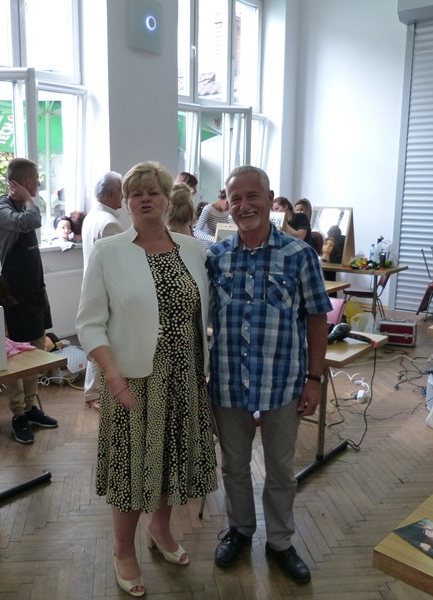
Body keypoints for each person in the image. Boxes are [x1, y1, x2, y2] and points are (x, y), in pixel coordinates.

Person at [76, 162, 217, 597]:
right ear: (125, 202)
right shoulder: (109, 251)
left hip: (186, 378)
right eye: (135, 193)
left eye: (153, 191)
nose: (144, 199)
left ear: (168, 199)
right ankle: (123, 549)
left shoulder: (193, 250)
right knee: (132, 468)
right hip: (134, 383)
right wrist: (112, 376)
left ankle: (160, 527)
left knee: (170, 459)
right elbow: (89, 323)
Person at [207, 166, 331, 584]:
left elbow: (317, 319)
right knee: (234, 467)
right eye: (235, 198)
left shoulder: (300, 255)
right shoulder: (216, 257)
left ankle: (280, 541)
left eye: (252, 196)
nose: (244, 206)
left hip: (283, 383)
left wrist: (314, 379)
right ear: (227, 204)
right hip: (228, 382)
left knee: (280, 469)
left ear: (269, 197)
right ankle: (240, 529)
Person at [0, 158, 58, 443]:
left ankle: (31, 408)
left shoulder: (23, 206)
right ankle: (18, 414)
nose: (39, 184)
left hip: (35, 290)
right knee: (17, 357)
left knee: (37, 351)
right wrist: (30, 200)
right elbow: (31, 221)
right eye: (37, 180)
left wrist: (28, 200)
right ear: (27, 183)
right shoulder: (0, 211)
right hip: (14, 294)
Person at [81, 171, 124, 411]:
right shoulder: (109, 223)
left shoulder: (92, 216)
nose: (123, 197)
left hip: (93, 286)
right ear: (110, 194)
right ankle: (95, 393)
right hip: (106, 290)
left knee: (96, 337)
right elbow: (116, 265)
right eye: (121, 192)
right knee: (102, 340)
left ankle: (92, 391)